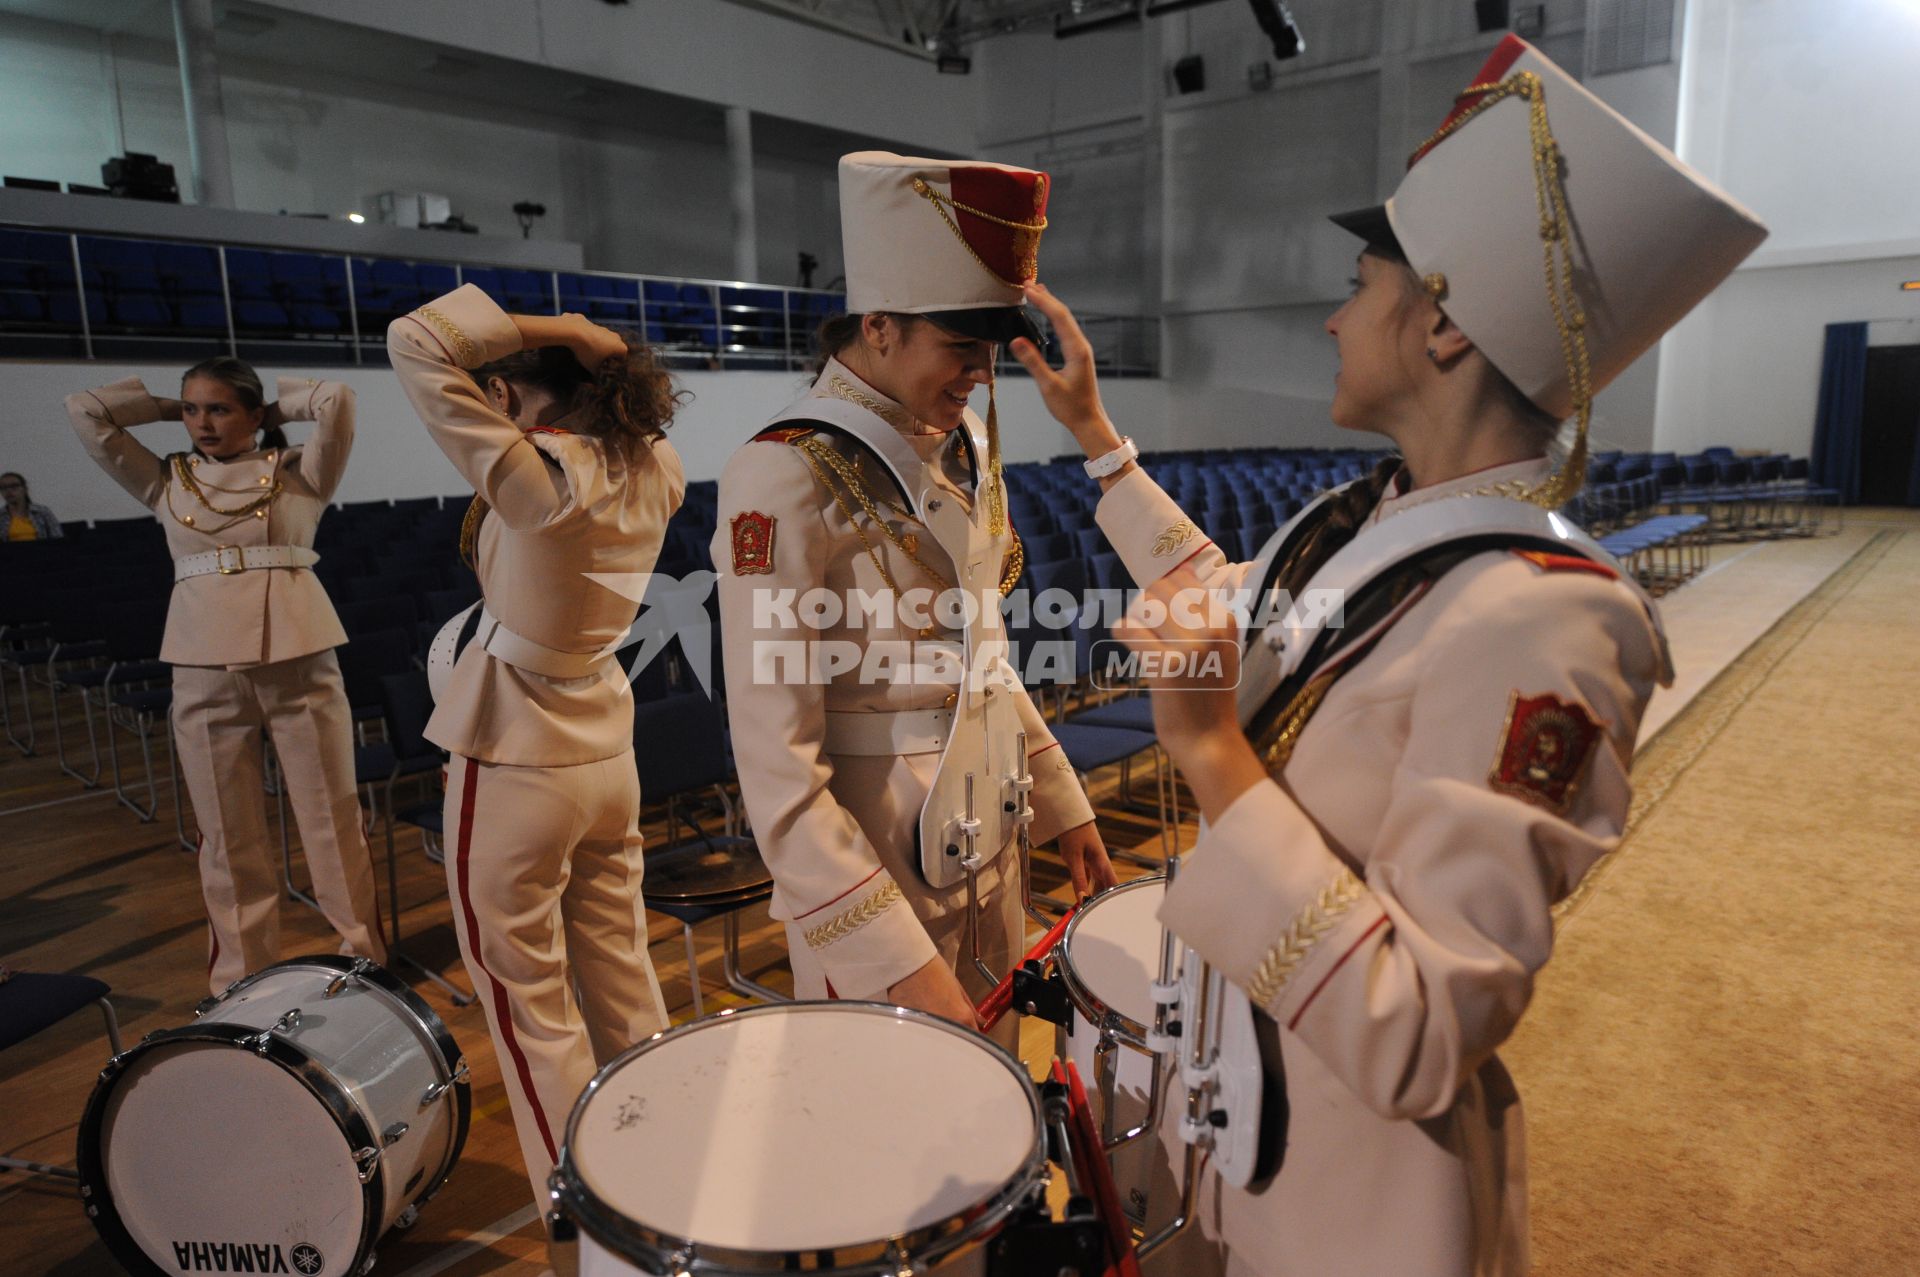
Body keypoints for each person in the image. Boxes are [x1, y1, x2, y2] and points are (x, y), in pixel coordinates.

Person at [1010, 36, 1767, 1276]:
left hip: (1353, 1203)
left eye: (1360, 283)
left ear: (1448, 328)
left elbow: (1420, 1029)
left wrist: (1203, 749)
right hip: (1241, 1104)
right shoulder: (1367, 515)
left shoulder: (1548, 618)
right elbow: (1221, 603)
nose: (1332, 312)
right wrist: (1095, 435)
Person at [714, 151, 1117, 1032]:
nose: (980, 372)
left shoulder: (963, 438)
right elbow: (777, 762)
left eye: (988, 351)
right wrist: (891, 956)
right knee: (888, 1133)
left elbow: (986, 658)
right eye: (959, 348)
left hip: (991, 825)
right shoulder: (779, 471)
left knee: (998, 1091)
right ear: (883, 325)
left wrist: (1062, 803)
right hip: (871, 867)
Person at [387, 284, 684, 1219]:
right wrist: (594, 350)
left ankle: (586, 1198)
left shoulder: (538, 475)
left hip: (516, 745)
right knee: (620, 966)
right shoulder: (657, 466)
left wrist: (566, 330)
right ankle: (664, 1148)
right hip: (606, 746)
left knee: (526, 1000)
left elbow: (412, 339)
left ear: (511, 396)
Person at [64, 358, 387, 994]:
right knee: (226, 830)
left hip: (297, 653)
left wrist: (274, 410)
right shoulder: (165, 479)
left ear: (254, 414)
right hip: (203, 661)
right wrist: (162, 408)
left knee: (330, 816)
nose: (201, 422)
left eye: (218, 408)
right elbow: (86, 411)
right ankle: (242, 979)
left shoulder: (299, 473)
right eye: (191, 409)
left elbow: (339, 400)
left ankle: (364, 961)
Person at [2, 472, 63, 540]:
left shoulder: (42, 512)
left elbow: (58, 538)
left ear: (25, 489)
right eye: (4, 487)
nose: (8, 490)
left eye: (14, 486)